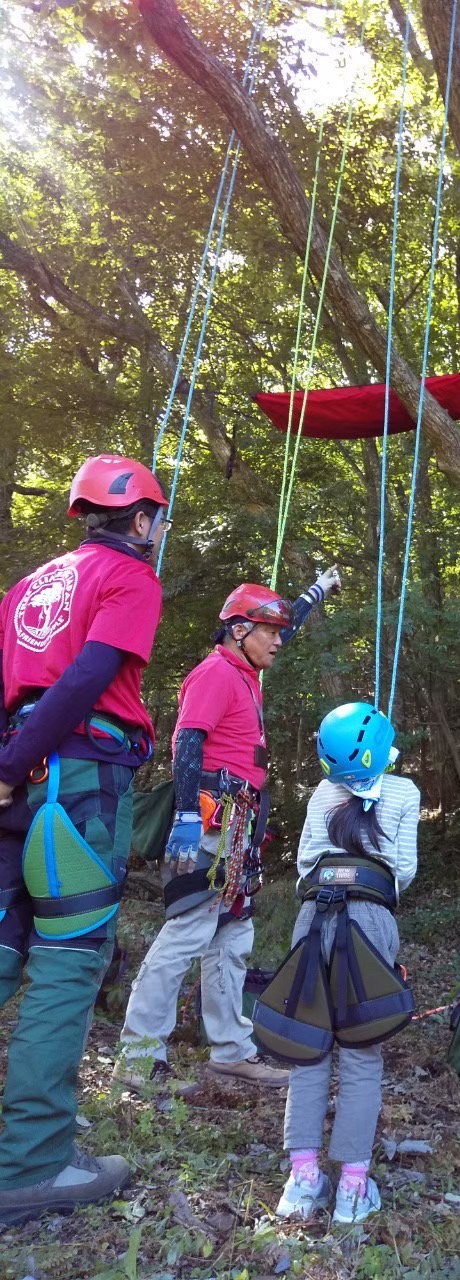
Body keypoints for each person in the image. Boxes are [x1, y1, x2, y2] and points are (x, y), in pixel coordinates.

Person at [0, 455, 167, 1226]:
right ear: (138, 519)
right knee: (68, 965)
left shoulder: (32, 585)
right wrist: (18, 760)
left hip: (16, 781)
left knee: (6, 947)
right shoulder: (131, 579)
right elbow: (90, 675)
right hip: (79, 780)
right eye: (155, 520)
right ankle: (33, 1165)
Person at [115, 570, 341, 1093]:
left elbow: (287, 621)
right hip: (212, 827)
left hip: (239, 829)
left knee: (232, 935)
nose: (280, 641)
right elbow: (187, 743)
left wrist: (317, 591)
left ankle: (231, 1051)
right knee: (186, 933)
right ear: (239, 630)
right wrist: (190, 819)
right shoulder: (215, 675)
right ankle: (139, 1056)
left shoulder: (247, 670)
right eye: (270, 633)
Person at [275, 701, 419, 1224]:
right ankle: (353, 1189)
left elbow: (306, 863)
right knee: (361, 1051)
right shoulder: (404, 791)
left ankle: (303, 1179)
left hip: (313, 915)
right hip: (370, 920)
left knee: (309, 1046)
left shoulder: (322, 791)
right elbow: (403, 869)